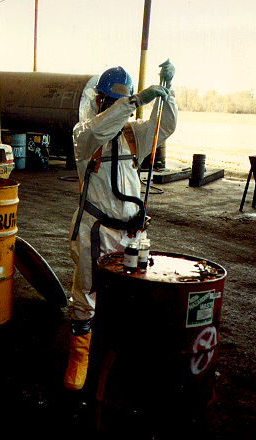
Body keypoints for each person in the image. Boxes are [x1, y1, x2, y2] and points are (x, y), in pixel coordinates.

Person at [64, 61, 177, 391]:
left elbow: (163, 127)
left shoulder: (133, 134)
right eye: (112, 102)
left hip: (131, 234)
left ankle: (124, 355)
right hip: (95, 231)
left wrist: (167, 92)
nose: (118, 109)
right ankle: (79, 358)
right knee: (86, 293)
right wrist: (133, 102)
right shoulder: (84, 134)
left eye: (121, 103)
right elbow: (103, 128)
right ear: (99, 102)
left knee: (133, 297)